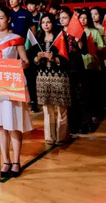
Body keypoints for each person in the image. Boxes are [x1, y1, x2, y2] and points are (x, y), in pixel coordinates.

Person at [0, 7, 31, 178]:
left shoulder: (16, 38)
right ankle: (6, 160)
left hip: (12, 86)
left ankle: (16, 161)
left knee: (13, 125)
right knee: (1, 125)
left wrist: (22, 65)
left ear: (8, 19)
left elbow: (26, 61)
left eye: (1, 18)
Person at [28, 14, 71, 145]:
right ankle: (49, 137)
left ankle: (62, 137)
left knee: (61, 108)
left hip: (59, 77)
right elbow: (32, 62)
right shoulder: (38, 40)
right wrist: (37, 59)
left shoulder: (60, 38)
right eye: (43, 22)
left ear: (53, 23)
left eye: (48, 22)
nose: (46, 25)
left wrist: (54, 58)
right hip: (42, 77)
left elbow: (66, 59)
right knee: (47, 109)